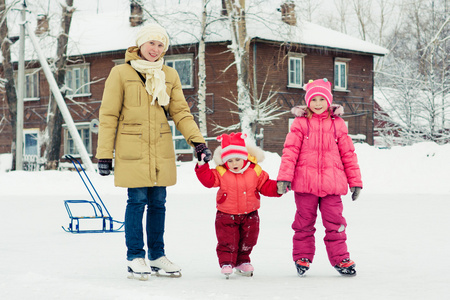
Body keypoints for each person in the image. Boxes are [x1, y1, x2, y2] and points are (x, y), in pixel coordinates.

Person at [96, 23, 212, 280]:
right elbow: (108, 114)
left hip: (159, 148)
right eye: (152, 43)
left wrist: (198, 142)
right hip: (131, 148)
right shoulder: (120, 73)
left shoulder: (169, 75)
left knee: (158, 204)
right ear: (140, 44)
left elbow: (180, 112)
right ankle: (135, 256)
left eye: (161, 45)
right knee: (136, 202)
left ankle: (157, 255)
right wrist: (104, 153)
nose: (155, 49)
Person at [276, 78, 363, 277]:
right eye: (313, 99)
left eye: (321, 99)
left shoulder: (338, 125)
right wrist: (284, 178)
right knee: (304, 224)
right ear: (307, 102)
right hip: (305, 185)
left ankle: (341, 259)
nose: (317, 103)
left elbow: (348, 154)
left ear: (328, 101)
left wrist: (355, 182)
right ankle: (302, 257)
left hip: (332, 185)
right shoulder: (300, 124)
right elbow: (290, 152)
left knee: (336, 224)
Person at [195, 132, 282, 278]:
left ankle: (242, 261)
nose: (234, 164)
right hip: (226, 214)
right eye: (230, 161)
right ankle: (227, 262)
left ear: (245, 158)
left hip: (250, 213)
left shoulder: (255, 171)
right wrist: (202, 165)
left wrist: (278, 187)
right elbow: (208, 180)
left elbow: (265, 185)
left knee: (249, 239)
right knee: (227, 239)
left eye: (237, 159)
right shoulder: (221, 172)